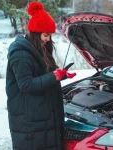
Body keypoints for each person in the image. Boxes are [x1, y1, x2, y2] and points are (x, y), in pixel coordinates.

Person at [5, 1, 76, 150]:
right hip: (29, 121)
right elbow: (26, 85)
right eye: (46, 35)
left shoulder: (40, 49)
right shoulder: (21, 55)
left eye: (50, 35)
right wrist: (54, 77)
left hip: (40, 116)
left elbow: (44, 75)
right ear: (36, 33)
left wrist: (61, 75)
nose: (48, 39)